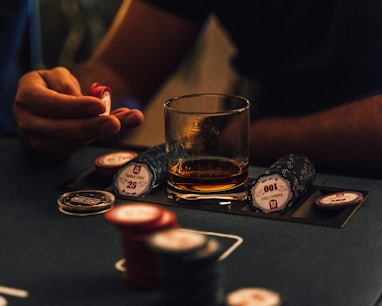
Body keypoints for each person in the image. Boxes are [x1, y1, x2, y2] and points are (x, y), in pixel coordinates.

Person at [13, 0, 382, 177]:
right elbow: (119, 71)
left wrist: (235, 141)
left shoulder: (241, 141)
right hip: (256, 173)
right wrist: (65, 101)